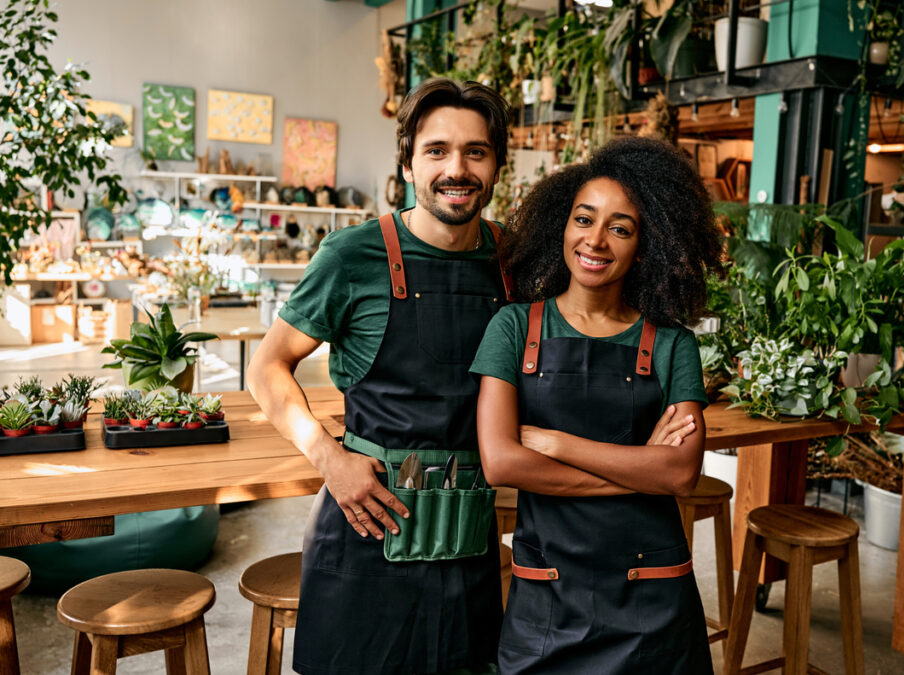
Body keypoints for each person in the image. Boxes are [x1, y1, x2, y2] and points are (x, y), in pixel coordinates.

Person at [248, 78, 512, 675]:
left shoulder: (514, 261)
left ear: (496, 165)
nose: (457, 168)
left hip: (468, 536)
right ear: (409, 163)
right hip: (368, 526)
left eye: (476, 151)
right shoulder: (351, 257)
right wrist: (327, 457)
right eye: (437, 150)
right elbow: (267, 367)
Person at [470, 136, 723, 674]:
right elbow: (502, 463)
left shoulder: (673, 344)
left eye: (621, 228)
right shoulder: (513, 328)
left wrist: (556, 443)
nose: (597, 240)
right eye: (584, 219)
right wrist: (638, 471)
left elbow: (680, 473)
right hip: (548, 597)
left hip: (651, 600)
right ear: (561, 224)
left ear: (646, 245)